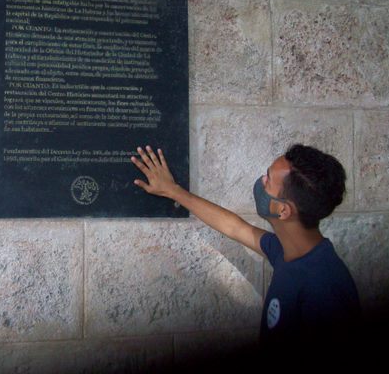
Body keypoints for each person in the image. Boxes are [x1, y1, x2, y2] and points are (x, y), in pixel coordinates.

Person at [131, 143, 360, 358]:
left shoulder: (325, 290)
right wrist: (173, 191)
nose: (261, 180)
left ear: (283, 210)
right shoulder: (287, 251)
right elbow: (235, 227)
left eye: (268, 179)